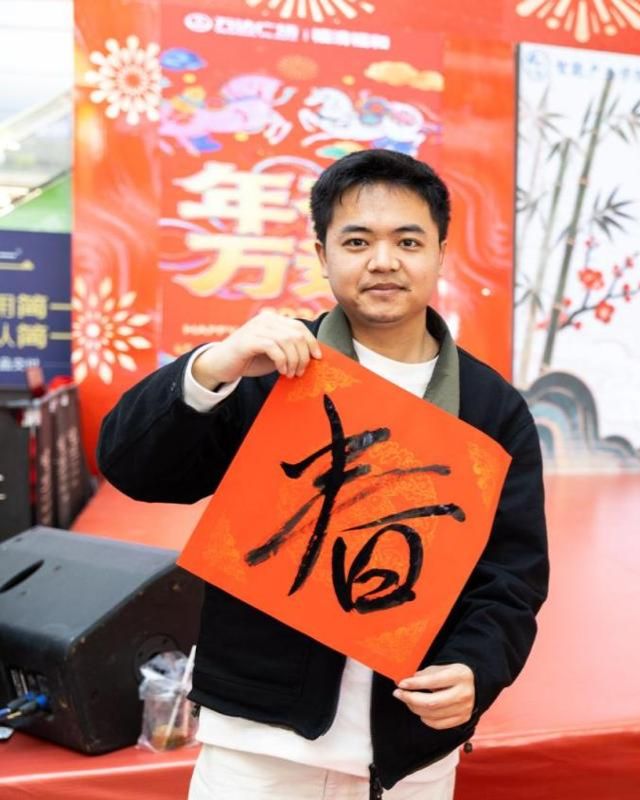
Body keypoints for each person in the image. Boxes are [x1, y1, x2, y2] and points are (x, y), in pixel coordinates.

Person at [97, 149, 549, 800]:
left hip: (411, 754)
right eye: (357, 241)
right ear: (322, 254)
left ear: (440, 255)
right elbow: (132, 467)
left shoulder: (492, 408)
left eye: (408, 241)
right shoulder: (272, 369)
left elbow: (513, 576)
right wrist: (215, 366)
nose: (384, 261)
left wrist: (478, 667)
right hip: (257, 744)